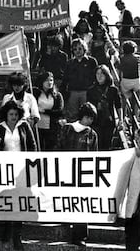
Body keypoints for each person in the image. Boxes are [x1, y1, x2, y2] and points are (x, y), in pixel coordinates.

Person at [0, 101, 37, 250]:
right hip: (5, 170)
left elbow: (32, 146)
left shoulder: (24, 126)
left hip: (21, 170)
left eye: (16, 114)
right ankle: (6, 230)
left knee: (20, 201)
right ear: (6, 114)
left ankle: (17, 235)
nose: (13, 117)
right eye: (11, 114)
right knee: (7, 199)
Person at [58, 103, 98, 247]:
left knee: (82, 203)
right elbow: (59, 148)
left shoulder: (92, 134)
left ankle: (80, 235)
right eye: (89, 117)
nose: (91, 121)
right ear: (84, 116)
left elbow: (94, 155)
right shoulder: (67, 129)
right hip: (67, 171)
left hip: (83, 174)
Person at [87, 65, 123, 150]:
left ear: (106, 75)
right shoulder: (91, 90)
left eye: (102, 74)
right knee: (97, 145)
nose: (99, 76)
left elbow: (118, 106)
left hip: (109, 121)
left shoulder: (113, 90)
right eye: (97, 74)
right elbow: (88, 107)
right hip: (96, 121)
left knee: (107, 145)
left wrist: (121, 120)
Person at [61, 38, 98, 121]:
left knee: (86, 114)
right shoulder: (70, 63)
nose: (77, 51)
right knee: (72, 116)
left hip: (86, 92)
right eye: (75, 49)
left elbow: (95, 77)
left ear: (84, 49)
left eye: (80, 48)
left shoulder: (91, 61)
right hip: (73, 92)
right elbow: (65, 79)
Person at [32, 72, 64, 151]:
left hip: (52, 127)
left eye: (51, 80)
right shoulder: (35, 93)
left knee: (50, 148)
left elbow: (59, 111)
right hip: (38, 126)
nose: (49, 82)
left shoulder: (57, 95)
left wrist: (44, 111)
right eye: (46, 80)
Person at [117, 41, 140, 118]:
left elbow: (120, 71)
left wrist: (120, 82)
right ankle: (135, 117)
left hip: (125, 81)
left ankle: (123, 117)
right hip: (136, 81)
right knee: (137, 100)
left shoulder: (122, 58)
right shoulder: (138, 58)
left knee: (123, 100)